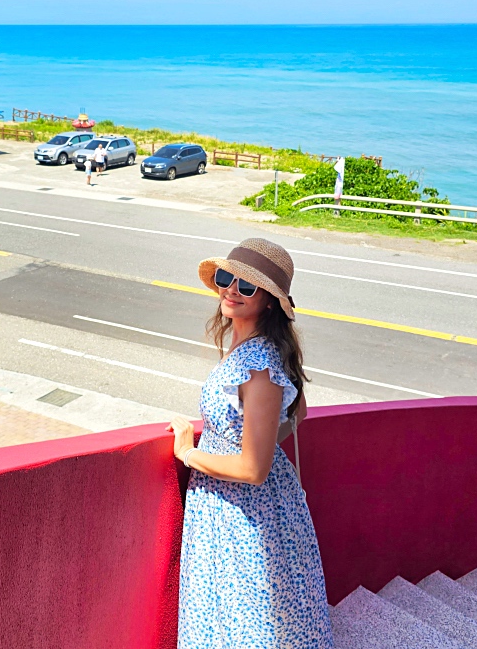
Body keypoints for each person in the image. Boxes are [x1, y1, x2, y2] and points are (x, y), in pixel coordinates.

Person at [168, 237, 334, 649]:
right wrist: (248, 441)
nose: (230, 290)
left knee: (242, 617)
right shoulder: (253, 351)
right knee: (239, 614)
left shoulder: (258, 365)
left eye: (247, 286)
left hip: (243, 510)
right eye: (227, 278)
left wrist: (191, 453)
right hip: (239, 505)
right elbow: (299, 414)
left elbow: (253, 470)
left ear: (271, 301)